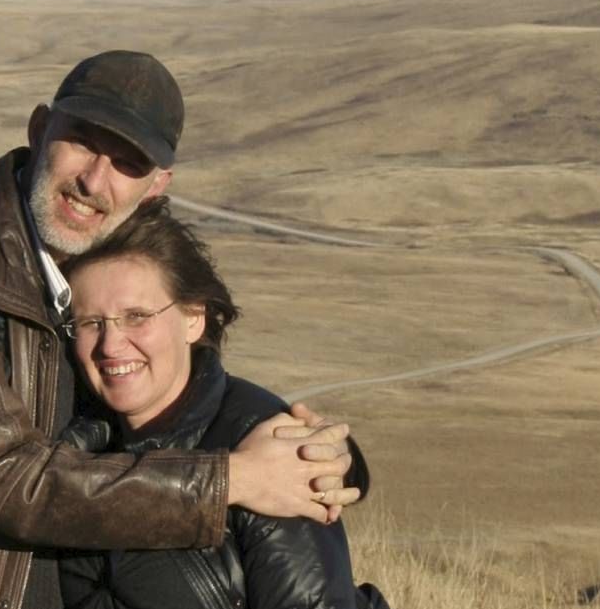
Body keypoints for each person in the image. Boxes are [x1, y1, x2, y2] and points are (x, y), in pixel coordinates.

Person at [0, 50, 361, 609]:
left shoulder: (78, 258)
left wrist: (320, 458)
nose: (94, 179)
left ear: (156, 185)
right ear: (39, 129)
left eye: (127, 162)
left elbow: (172, 394)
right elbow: (5, 481)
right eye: (83, 138)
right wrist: (231, 480)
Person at [57, 197, 387, 609]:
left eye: (137, 316)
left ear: (194, 317)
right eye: (91, 323)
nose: (111, 344)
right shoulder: (71, 443)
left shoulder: (275, 456)